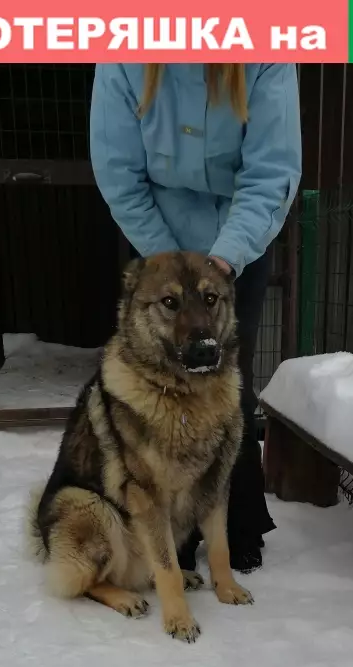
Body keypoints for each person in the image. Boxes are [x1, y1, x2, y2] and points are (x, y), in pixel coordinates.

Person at [90, 63, 302, 573]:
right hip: (152, 235)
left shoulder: (268, 48)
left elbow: (271, 171)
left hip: (237, 243)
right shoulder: (123, 51)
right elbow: (119, 170)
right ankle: (169, 528)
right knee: (156, 384)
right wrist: (170, 271)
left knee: (226, 384)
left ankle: (240, 521)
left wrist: (221, 266)